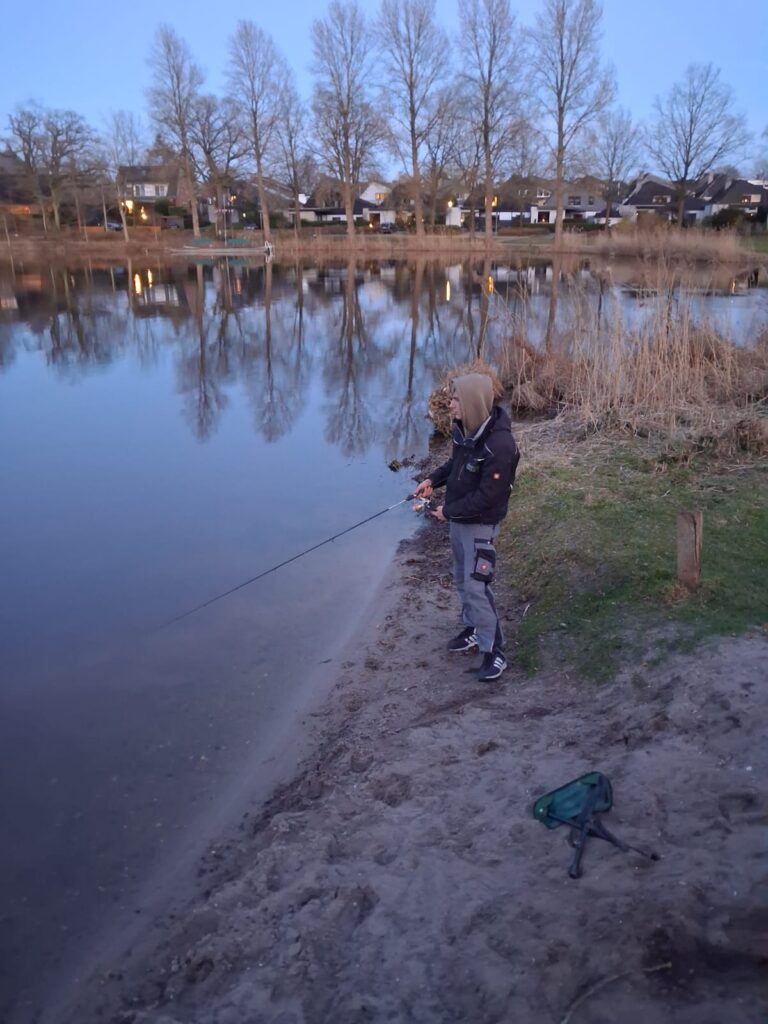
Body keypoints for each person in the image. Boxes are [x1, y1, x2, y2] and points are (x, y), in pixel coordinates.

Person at [414, 373, 519, 681]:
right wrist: (432, 480)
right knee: (462, 579)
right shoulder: (466, 430)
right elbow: (455, 466)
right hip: (459, 523)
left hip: (480, 527)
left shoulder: (500, 445)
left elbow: (490, 496)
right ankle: (474, 628)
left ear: (472, 402)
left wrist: (448, 511)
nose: (450, 404)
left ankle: (494, 652)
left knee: (477, 588)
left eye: (456, 399)